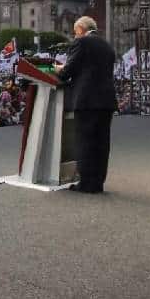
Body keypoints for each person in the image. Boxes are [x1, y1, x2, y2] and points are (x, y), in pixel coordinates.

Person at [55, 16, 117, 193]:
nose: (75, 36)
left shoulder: (82, 43)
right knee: (102, 143)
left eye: (75, 32)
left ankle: (87, 183)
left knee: (85, 142)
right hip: (106, 101)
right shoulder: (107, 46)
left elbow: (68, 71)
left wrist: (58, 69)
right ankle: (98, 182)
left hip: (87, 101)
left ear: (81, 29)